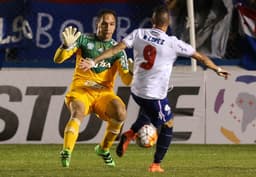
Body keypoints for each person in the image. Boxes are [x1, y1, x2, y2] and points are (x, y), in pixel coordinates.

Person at [79, 5, 230, 172]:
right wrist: (217, 69)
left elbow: (115, 49)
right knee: (168, 124)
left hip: (136, 90)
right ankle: (156, 164)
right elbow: (200, 57)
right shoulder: (173, 43)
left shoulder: (139, 33)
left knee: (149, 113)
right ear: (168, 23)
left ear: (152, 21)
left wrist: (94, 61)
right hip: (153, 95)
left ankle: (129, 134)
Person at [53, 9, 133, 168]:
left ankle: (103, 149)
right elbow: (58, 59)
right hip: (81, 90)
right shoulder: (83, 40)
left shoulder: (118, 51)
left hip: (104, 94)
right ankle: (67, 151)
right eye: (105, 23)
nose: (108, 27)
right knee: (78, 112)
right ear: (98, 24)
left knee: (121, 112)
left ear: (115, 26)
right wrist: (65, 46)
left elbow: (127, 81)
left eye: (112, 24)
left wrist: (131, 72)